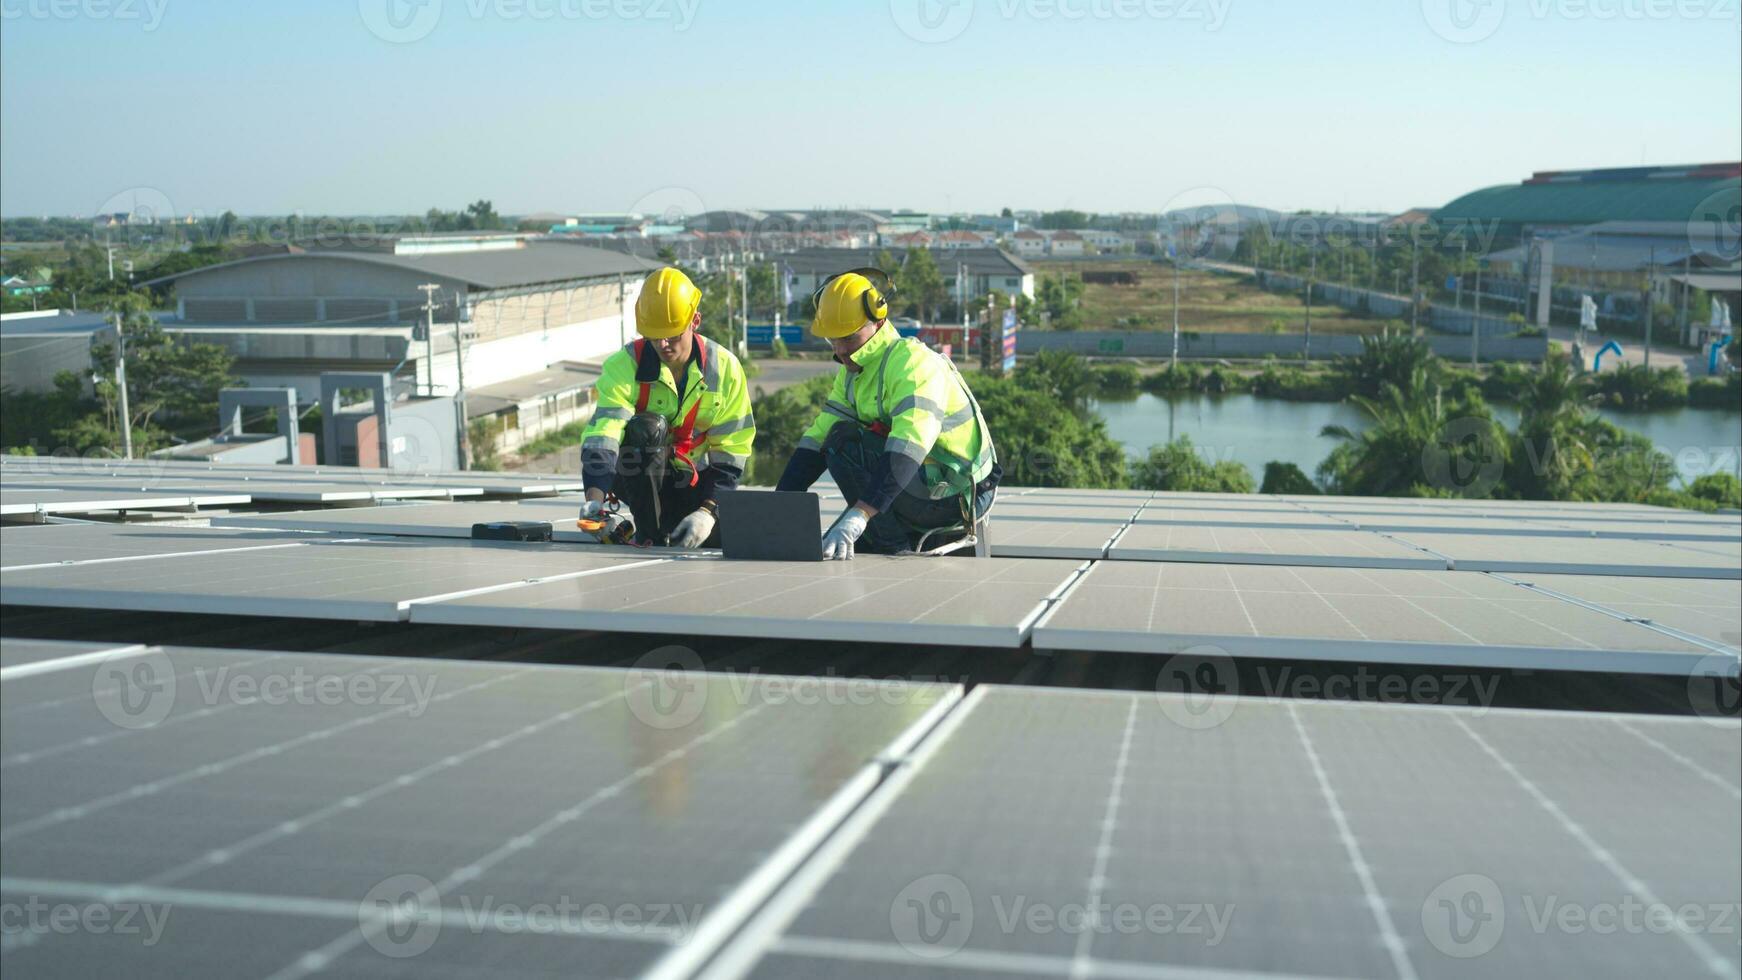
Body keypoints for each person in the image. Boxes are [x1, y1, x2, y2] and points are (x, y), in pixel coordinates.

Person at [775, 268, 998, 560]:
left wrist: (860, 514)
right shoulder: (854, 373)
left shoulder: (913, 363)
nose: (841, 350)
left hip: (956, 494)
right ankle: (882, 529)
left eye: (850, 338)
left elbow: (909, 444)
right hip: (923, 484)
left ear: (878, 320)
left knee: (843, 443)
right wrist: (778, 503)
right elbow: (817, 438)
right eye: (833, 340)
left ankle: (892, 546)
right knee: (835, 436)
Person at [578, 267, 754, 548]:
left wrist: (708, 512)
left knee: (725, 539)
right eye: (653, 335)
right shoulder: (624, 365)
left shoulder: (725, 369)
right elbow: (604, 434)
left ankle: (675, 523)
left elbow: (732, 451)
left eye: (672, 335)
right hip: (638, 476)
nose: (662, 344)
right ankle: (651, 532)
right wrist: (593, 504)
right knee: (647, 427)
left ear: (695, 321)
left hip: (693, 481)